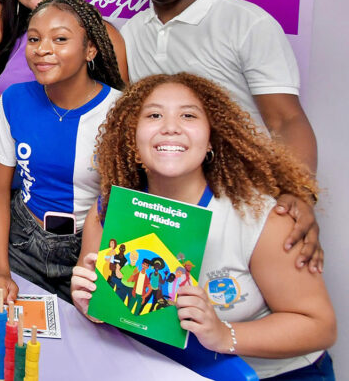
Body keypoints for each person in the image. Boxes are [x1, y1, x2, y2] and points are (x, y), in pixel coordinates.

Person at [71, 73, 335, 379]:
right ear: (132, 137)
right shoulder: (108, 211)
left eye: (188, 115)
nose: (170, 126)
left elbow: (319, 326)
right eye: (154, 115)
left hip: (275, 374)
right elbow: (103, 309)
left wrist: (225, 335)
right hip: (165, 367)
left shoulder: (261, 216)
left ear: (210, 138)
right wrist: (91, 306)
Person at [123, 0, 321, 269]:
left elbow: (287, 119)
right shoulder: (131, 33)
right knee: (162, 312)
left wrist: (298, 194)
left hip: (244, 208)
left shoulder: (247, 23)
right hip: (167, 209)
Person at [0, 0, 124, 301]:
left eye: (60, 39)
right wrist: (0, 271)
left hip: (91, 250)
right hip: (23, 244)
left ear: (90, 49)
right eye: (34, 39)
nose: (42, 49)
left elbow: (117, 204)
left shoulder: (121, 112)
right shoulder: (14, 100)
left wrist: (91, 267)